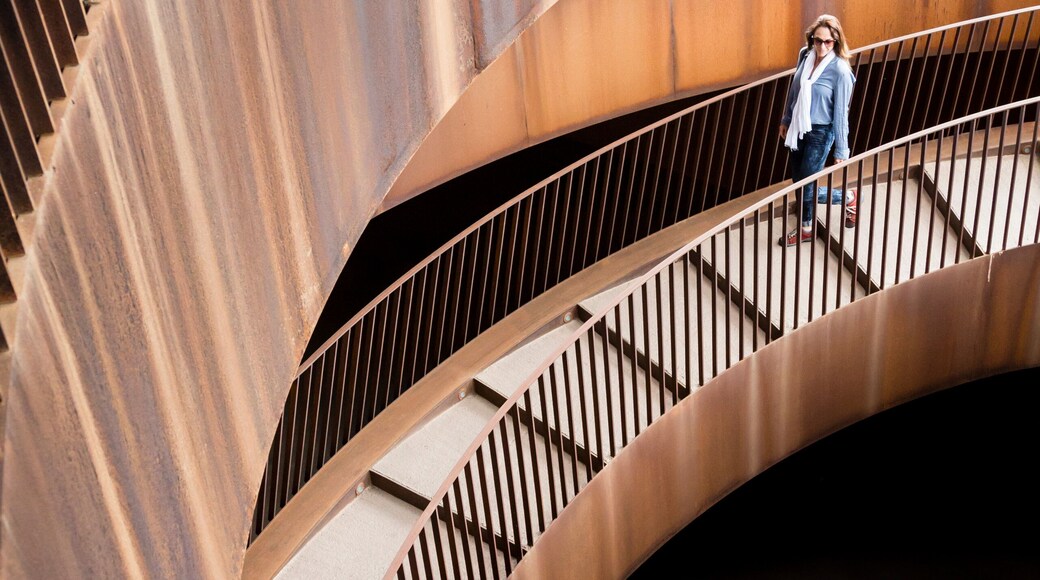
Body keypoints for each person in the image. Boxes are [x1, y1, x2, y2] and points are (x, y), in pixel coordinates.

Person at [778, 14, 858, 247]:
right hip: (798, 129)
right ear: (811, 39)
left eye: (828, 42)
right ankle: (809, 225)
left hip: (821, 133)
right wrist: (786, 118)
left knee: (805, 187)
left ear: (836, 42)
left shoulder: (841, 71)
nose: (822, 46)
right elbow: (796, 89)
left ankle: (847, 199)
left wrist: (842, 148)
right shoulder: (805, 55)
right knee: (799, 182)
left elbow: (841, 113)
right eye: (818, 40)